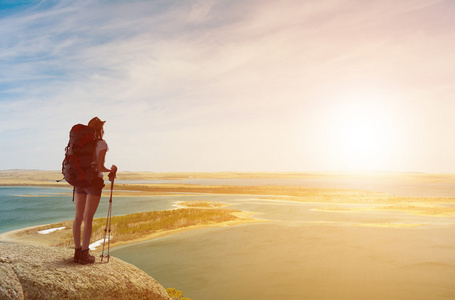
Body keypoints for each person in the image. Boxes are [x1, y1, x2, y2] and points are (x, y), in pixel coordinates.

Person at [73, 117, 117, 265]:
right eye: (103, 129)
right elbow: (99, 167)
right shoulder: (101, 144)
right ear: (100, 130)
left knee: (78, 217)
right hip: (93, 183)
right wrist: (112, 169)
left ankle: (77, 251)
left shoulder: (82, 142)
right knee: (88, 218)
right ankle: (85, 253)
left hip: (79, 181)